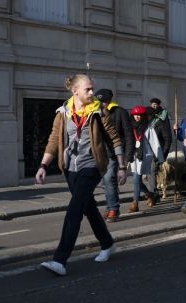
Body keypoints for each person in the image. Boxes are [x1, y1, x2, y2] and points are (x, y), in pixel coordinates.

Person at [36, 74, 126, 275]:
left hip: (91, 166)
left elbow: (115, 138)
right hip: (70, 169)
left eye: (92, 89)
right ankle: (107, 243)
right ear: (75, 91)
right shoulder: (63, 113)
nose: (92, 93)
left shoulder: (100, 111)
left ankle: (60, 260)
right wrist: (43, 165)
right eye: (88, 89)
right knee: (89, 208)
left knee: (74, 210)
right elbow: (53, 140)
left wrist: (121, 166)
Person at [94, 88, 135, 222]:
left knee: (109, 178)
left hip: (114, 152)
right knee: (104, 182)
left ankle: (114, 208)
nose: (102, 104)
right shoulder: (96, 112)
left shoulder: (120, 112)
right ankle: (109, 207)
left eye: (104, 101)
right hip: (100, 153)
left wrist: (128, 155)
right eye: (100, 101)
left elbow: (128, 135)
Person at [128, 106, 164, 212]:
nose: (137, 117)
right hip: (133, 156)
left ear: (143, 116)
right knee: (137, 180)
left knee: (136, 179)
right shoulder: (130, 127)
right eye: (135, 115)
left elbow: (155, 143)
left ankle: (135, 203)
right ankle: (149, 195)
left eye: (139, 115)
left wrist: (160, 158)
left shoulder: (148, 128)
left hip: (144, 157)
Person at [147, 98, 172, 201]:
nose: (154, 106)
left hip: (157, 149)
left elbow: (167, 137)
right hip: (146, 151)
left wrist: (164, 152)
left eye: (156, 104)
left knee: (151, 171)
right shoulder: (147, 120)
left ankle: (153, 194)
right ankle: (150, 192)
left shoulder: (162, 117)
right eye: (153, 104)